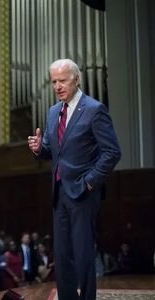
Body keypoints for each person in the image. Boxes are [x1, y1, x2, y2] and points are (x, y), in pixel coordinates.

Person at [28, 58, 121, 300]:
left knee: (82, 255)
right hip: (59, 194)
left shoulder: (94, 110)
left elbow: (112, 152)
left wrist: (90, 182)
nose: (58, 86)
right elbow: (53, 151)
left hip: (83, 193)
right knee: (62, 255)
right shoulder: (52, 112)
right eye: (54, 82)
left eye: (63, 81)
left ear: (77, 79)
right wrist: (40, 148)